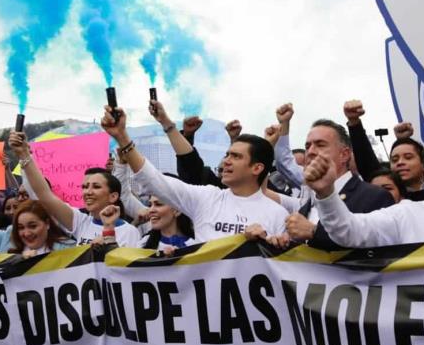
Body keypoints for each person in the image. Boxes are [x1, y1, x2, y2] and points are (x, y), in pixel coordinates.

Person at [101, 101, 288, 241]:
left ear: (257, 168)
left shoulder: (278, 215)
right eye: (228, 154)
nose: (226, 161)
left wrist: (268, 244)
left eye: (236, 157)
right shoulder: (206, 197)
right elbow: (155, 181)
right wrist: (122, 137)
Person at [271, 103, 395, 249]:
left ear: (344, 155)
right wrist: (283, 243)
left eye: (320, 144)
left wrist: (314, 232)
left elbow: (379, 252)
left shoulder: (375, 197)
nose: (310, 151)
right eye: (307, 146)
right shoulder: (305, 205)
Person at [8, 131, 140, 247]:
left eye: (96, 187)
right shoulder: (80, 222)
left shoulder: (129, 232)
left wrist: (109, 242)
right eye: (85, 187)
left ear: (113, 196)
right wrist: (24, 154)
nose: (88, 192)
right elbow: (44, 195)